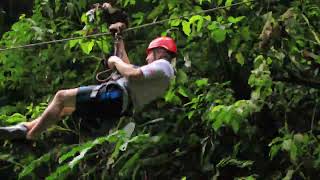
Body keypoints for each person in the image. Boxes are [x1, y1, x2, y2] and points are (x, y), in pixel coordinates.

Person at [0, 22, 177, 140]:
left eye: (149, 54)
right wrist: (119, 40)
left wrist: (114, 61)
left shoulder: (164, 65)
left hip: (115, 96)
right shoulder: (160, 77)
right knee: (65, 108)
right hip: (119, 106)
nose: (147, 59)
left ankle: (31, 136)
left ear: (160, 52)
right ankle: (24, 128)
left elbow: (132, 73)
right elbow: (128, 69)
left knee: (61, 97)